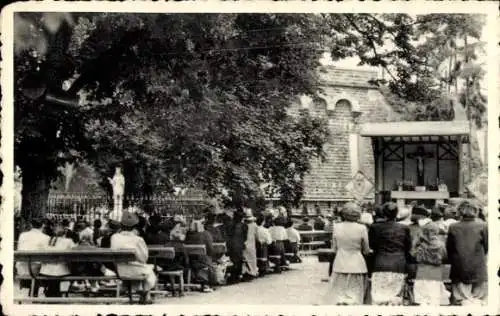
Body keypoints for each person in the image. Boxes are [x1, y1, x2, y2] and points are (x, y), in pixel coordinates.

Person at [322, 202, 371, 305]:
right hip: (357, 265)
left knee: (338, 296)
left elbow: (334, 249)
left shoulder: (336, 227)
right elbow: (366, 250)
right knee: (356, 297)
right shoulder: (362, 228)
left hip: (340, 263)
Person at [369, 202, 411, 305]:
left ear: (383, 213)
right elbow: (408, 247)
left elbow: (372, 245)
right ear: (396, 213)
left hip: (380, 263)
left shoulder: (375, 228)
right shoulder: (404, 228)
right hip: (398, 263)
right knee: (395, 299)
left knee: (379, 298)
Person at [446, 200, 488, 306]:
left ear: (460, 211)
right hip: (478, 267)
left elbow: (449, 248)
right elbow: (488, 246)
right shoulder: (483, 225)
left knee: (462, 300)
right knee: (479, 299)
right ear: (476, 211)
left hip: (459, 267)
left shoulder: (453, 227)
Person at [110, 211, 156, 300]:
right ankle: (145, 294)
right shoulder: (138, 239)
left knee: (140, 269)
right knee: (148, 271)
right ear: (134, 227)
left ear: (121, 225)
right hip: (136, 270)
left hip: (120, 270)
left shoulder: (114, 237)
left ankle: (140, 292)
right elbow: (144, 258)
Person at [411, 222, 447, 306]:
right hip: (435, 272)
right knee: (434, 299)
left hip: (422, 271)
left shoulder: (419, 244)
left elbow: (414, 255)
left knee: (422, 300)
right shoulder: (440, 245)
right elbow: (445, 257)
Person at [16, 218, 50, 296]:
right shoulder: (46, 237)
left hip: (22, 267)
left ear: (31, 225)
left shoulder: (22, 235)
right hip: (36, 269)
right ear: (43, 225)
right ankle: (40, 292)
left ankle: (31, 291)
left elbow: (19, 248)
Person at [39, 224, 75, 297]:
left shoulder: (47, 240)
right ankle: (57, 294)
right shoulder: (68, 241)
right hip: (62, 271)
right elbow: (75, 252)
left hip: (45, 271)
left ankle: (51, 293)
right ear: (64, 233)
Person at [185, 218, 215, 292]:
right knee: (209, 260)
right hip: (203, 261)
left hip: (190, 261)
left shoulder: (188, 235)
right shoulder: (206, 234)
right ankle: (207, 283)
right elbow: (210, 250)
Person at [227, 210, 247, 284]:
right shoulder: (244, 225)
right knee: (239, 260)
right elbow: (245, 237)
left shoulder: (229, 224)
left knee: (232, 259)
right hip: (239, 244)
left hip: (230, 244)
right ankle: (238, 275)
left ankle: (232, 275)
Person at [241, 208, 259, 280]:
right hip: (251, 244)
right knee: (252, 259)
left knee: (245, 259)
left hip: (244, 244)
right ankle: (253, 272)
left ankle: (245, 272)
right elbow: (257, 236)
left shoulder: (242, 225)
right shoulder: (254, 226)